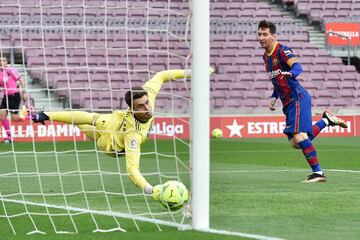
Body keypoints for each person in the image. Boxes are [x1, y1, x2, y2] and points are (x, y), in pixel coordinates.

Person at [31, 68, 213, 199]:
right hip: (109, 145)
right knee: (88, 122)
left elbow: (161, 75)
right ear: (132, 109)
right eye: (141, 106)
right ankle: (44, 115)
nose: (147, 107)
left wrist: (193, 72)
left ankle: (45, 115)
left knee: (88, 120)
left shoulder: (148, 95)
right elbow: (132, 170)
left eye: (147, 102)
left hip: (113, 129)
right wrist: (151, 190)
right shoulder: (132, 136)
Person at [257, 20, 348, 183]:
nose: (261, 37)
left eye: (265, 34)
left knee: (299, 136)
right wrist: (274, 97)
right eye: (259, 34)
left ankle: (318, 174)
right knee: (295, 142)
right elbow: (276, 80)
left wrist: (290, 74)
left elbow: (298, 67)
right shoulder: (265, 57)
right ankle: (325, 121)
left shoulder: (282, 50)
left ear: (273, 35)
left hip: (297, 97)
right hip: (287, 102)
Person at [0, 57, 28, 143]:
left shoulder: (10, 70)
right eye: (0, 61)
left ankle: (28, 115)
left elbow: (22, 80)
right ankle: (9, 137)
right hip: (6, 97)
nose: (2, 62)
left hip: (14, 96)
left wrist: (23, 92)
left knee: (15, 118)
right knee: (2, 115)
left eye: (4, 60)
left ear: (7, 62)